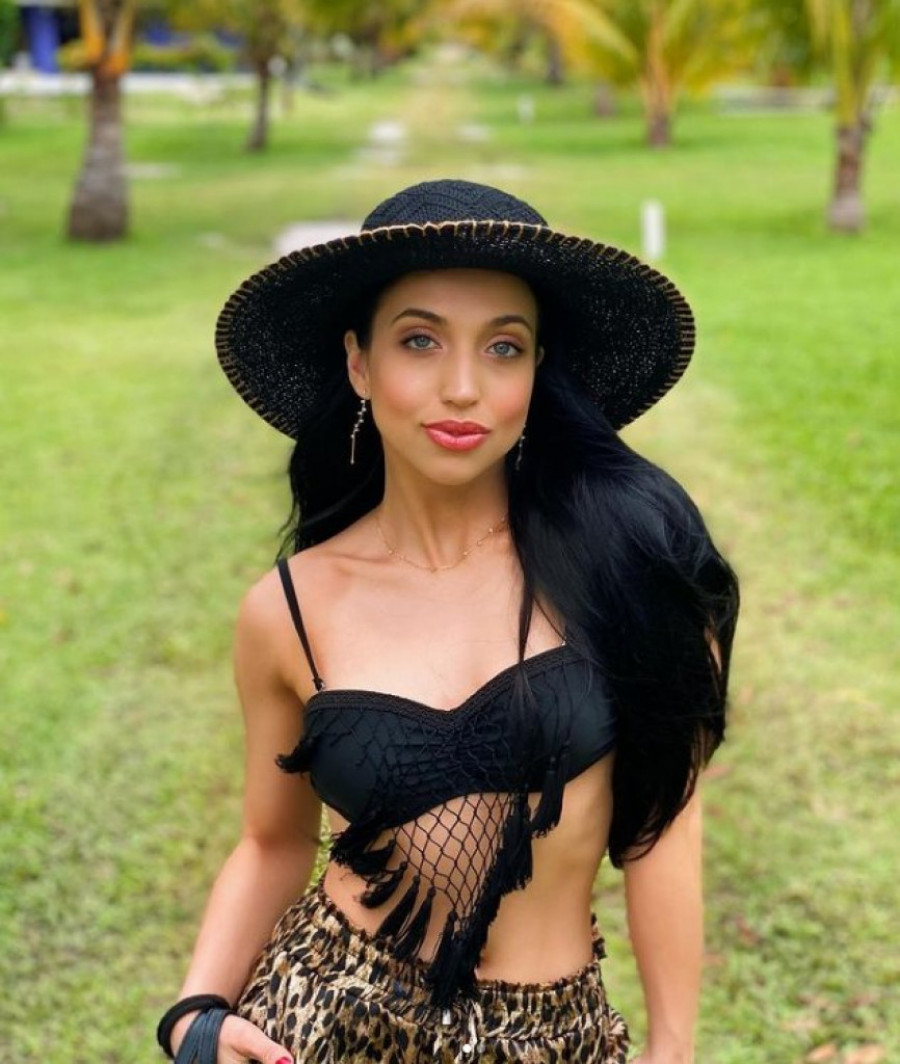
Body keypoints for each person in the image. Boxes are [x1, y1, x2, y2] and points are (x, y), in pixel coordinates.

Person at [156, 179, 739, 1064]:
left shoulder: (626, 571)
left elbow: (667, 824)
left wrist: (674, 1048)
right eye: (419, 340)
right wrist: (195, 1013)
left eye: (504, 347)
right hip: (323, 1016)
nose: (462, 388)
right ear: (359, 363)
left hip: (552, 1037)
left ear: (537, 370)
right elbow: (273, 840)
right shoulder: (288, 608)